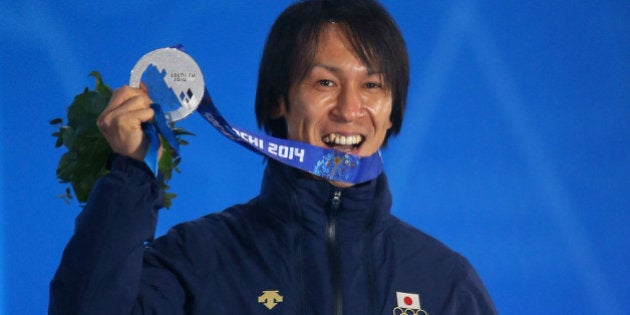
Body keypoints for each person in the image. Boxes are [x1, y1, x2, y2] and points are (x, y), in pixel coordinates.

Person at [50, 0, 497, 314]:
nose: (349, 109)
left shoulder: (444, 283)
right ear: (277, 101)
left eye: (373, 85)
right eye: (325, 83)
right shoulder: (201, 260)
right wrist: (131, 172)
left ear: (393, 109)